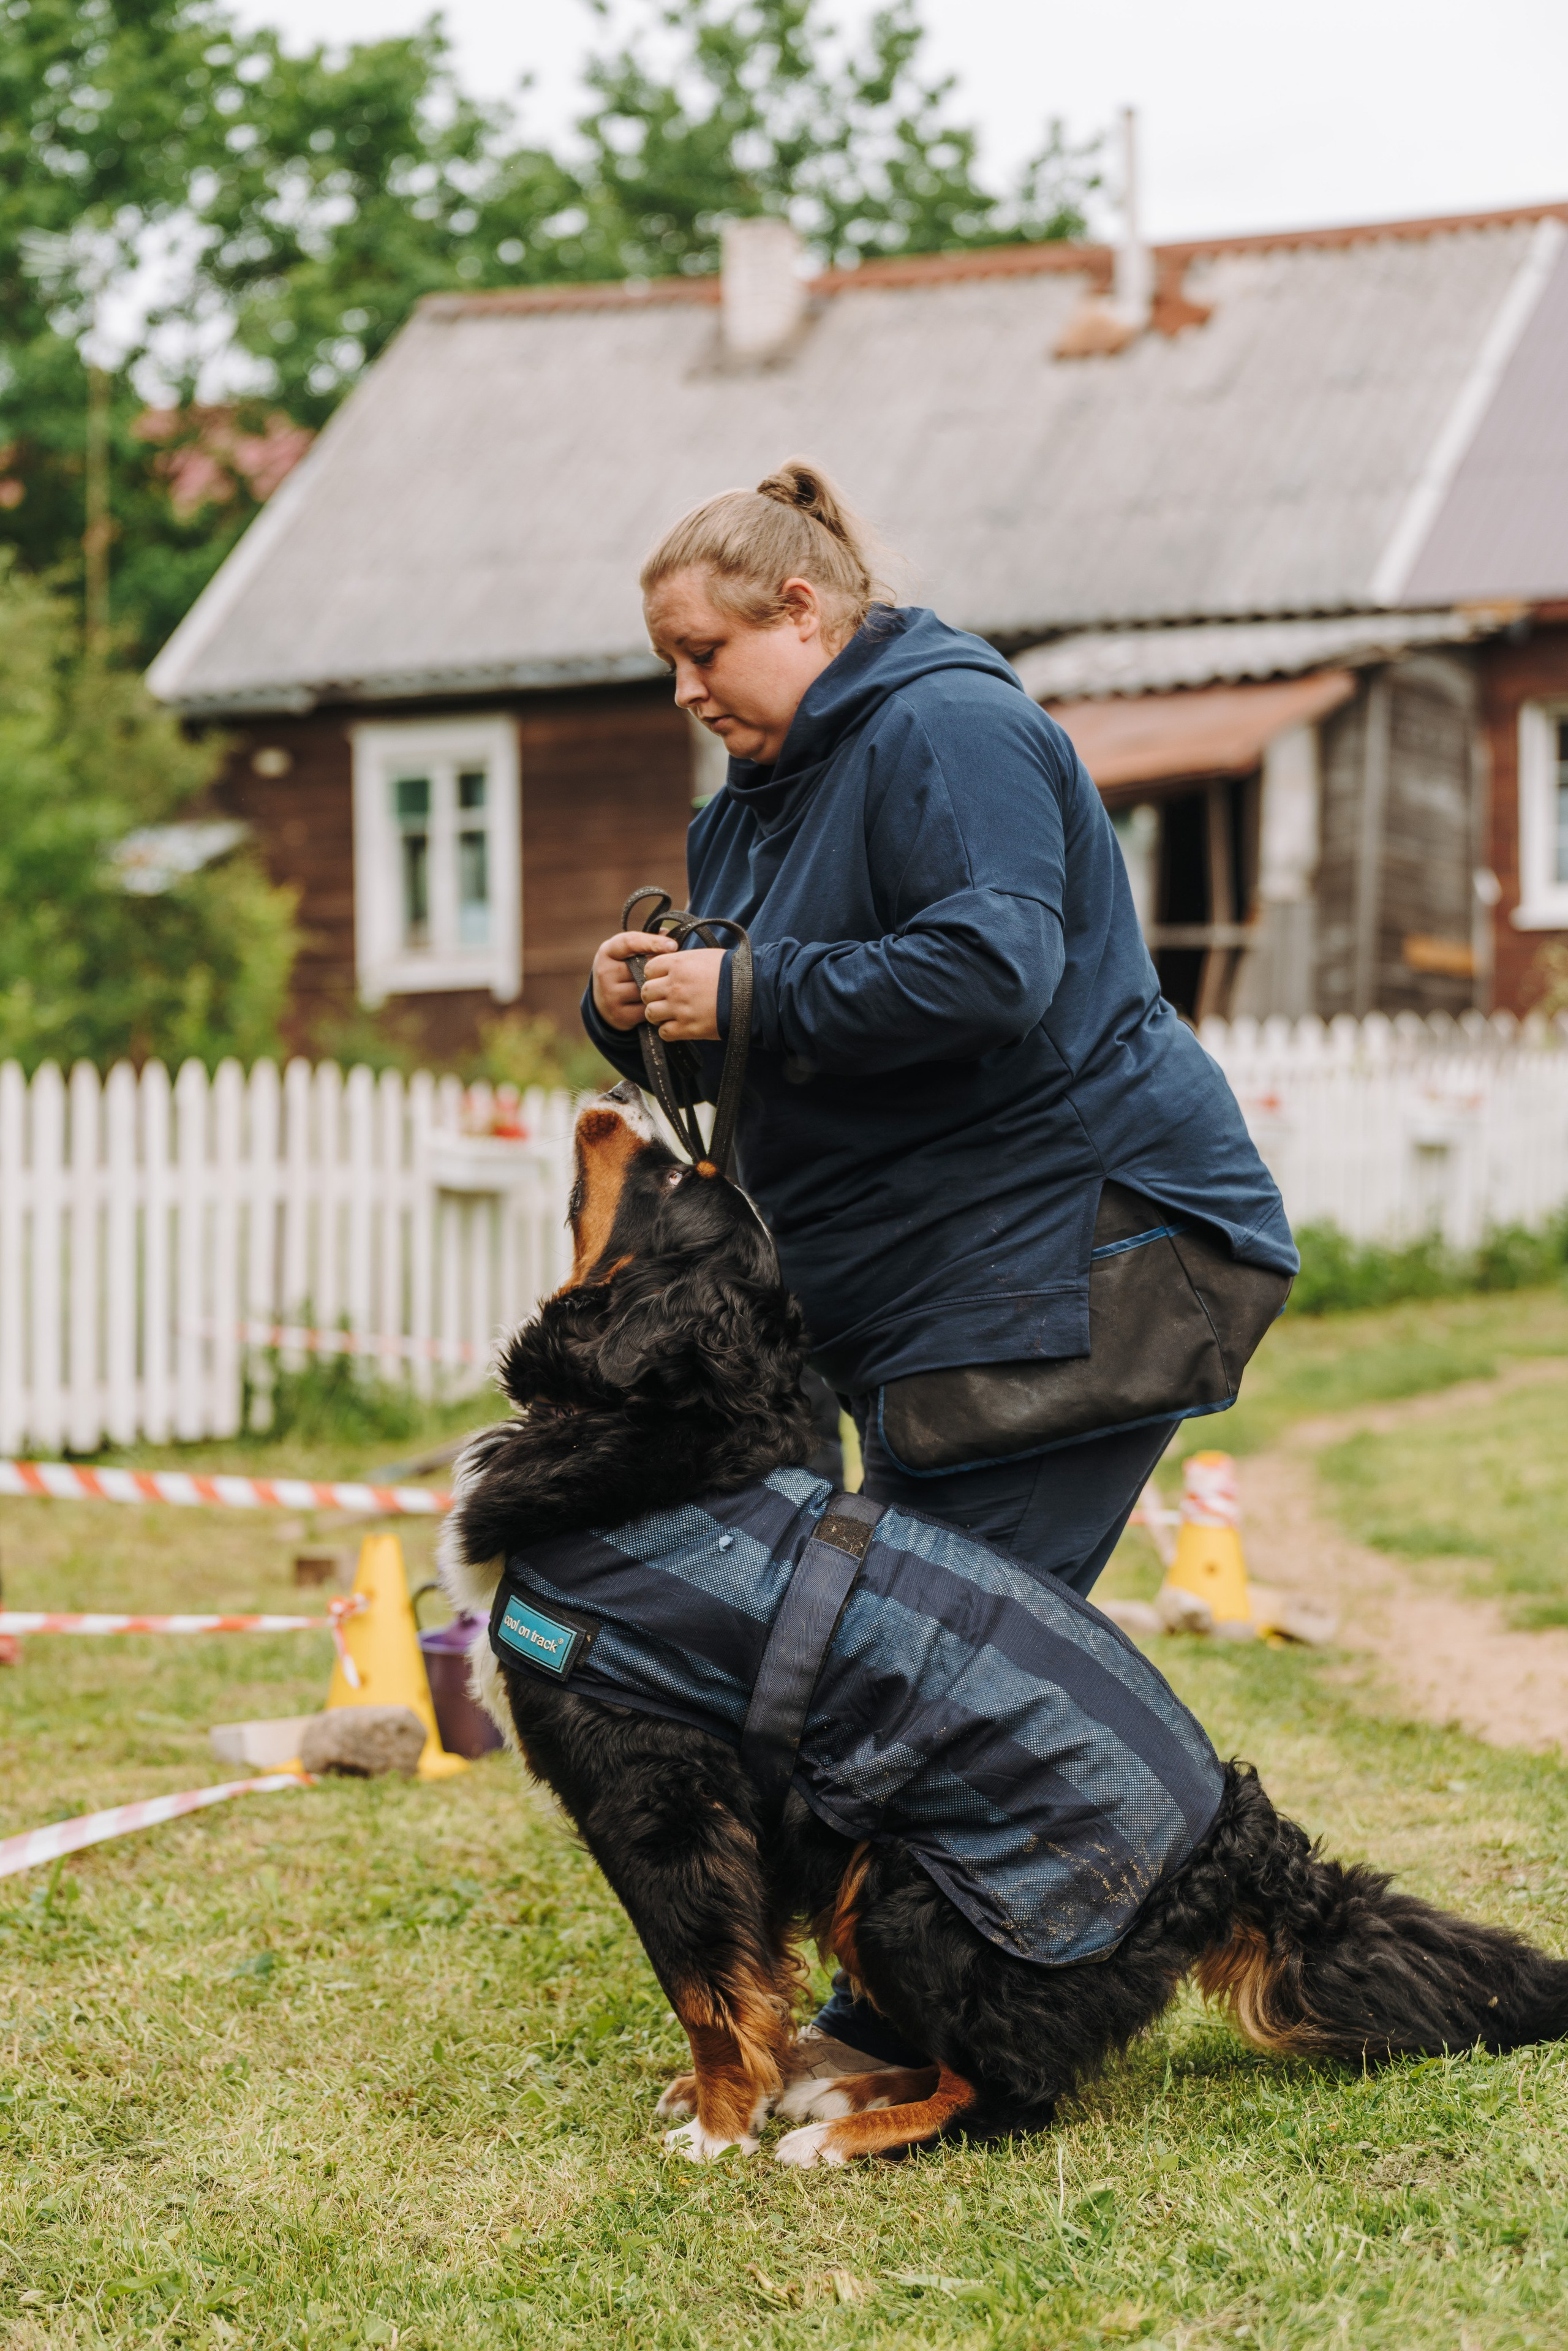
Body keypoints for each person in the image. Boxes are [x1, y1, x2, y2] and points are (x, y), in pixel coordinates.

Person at [582, 458, 1297, 2068]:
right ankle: (996, 1983)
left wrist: (748, 991)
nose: (688, 691)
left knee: (925, 1674)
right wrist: (641, 1001)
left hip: (1084, 1257)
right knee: (896, 1663)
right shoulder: (759, 797)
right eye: (668, 666)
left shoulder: (942, 726)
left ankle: (931, 2019)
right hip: (939, 1288)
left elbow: (993, 965)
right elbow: (769, 1010)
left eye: (708, 653)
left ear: (803, 605)